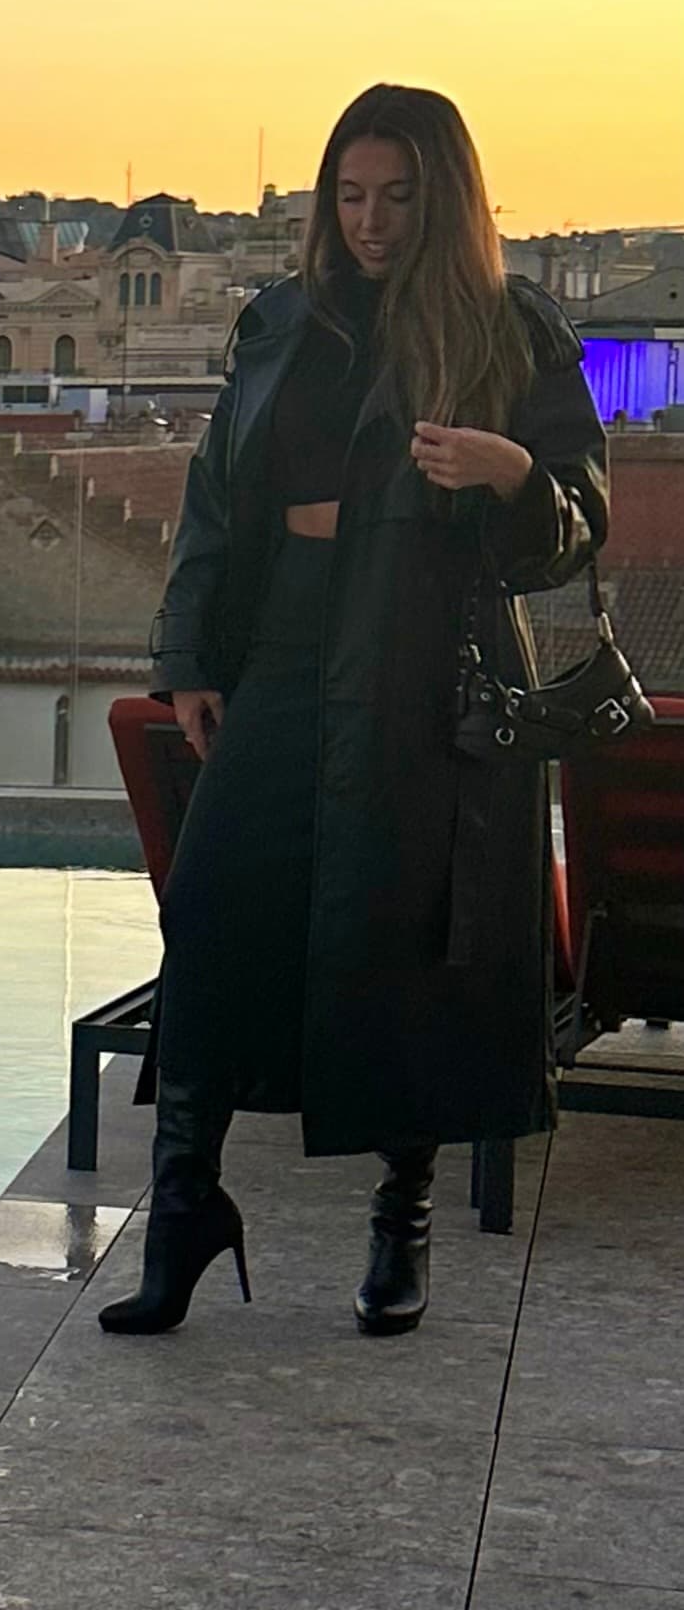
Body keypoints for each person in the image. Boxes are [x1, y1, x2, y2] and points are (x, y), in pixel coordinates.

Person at [99, 80, 608, 1337]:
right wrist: (189, 655)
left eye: (396, 196)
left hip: (432, 658)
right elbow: (215, 499)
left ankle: (402, 1223)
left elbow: (575, 527)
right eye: (350, 195)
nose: (371, 222)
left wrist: (513, 475)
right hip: (285, 643)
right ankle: (182, 1212)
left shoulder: (511, 330)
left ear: (444, 199)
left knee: (410, 934)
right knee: (211, 915)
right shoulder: (279, 321)